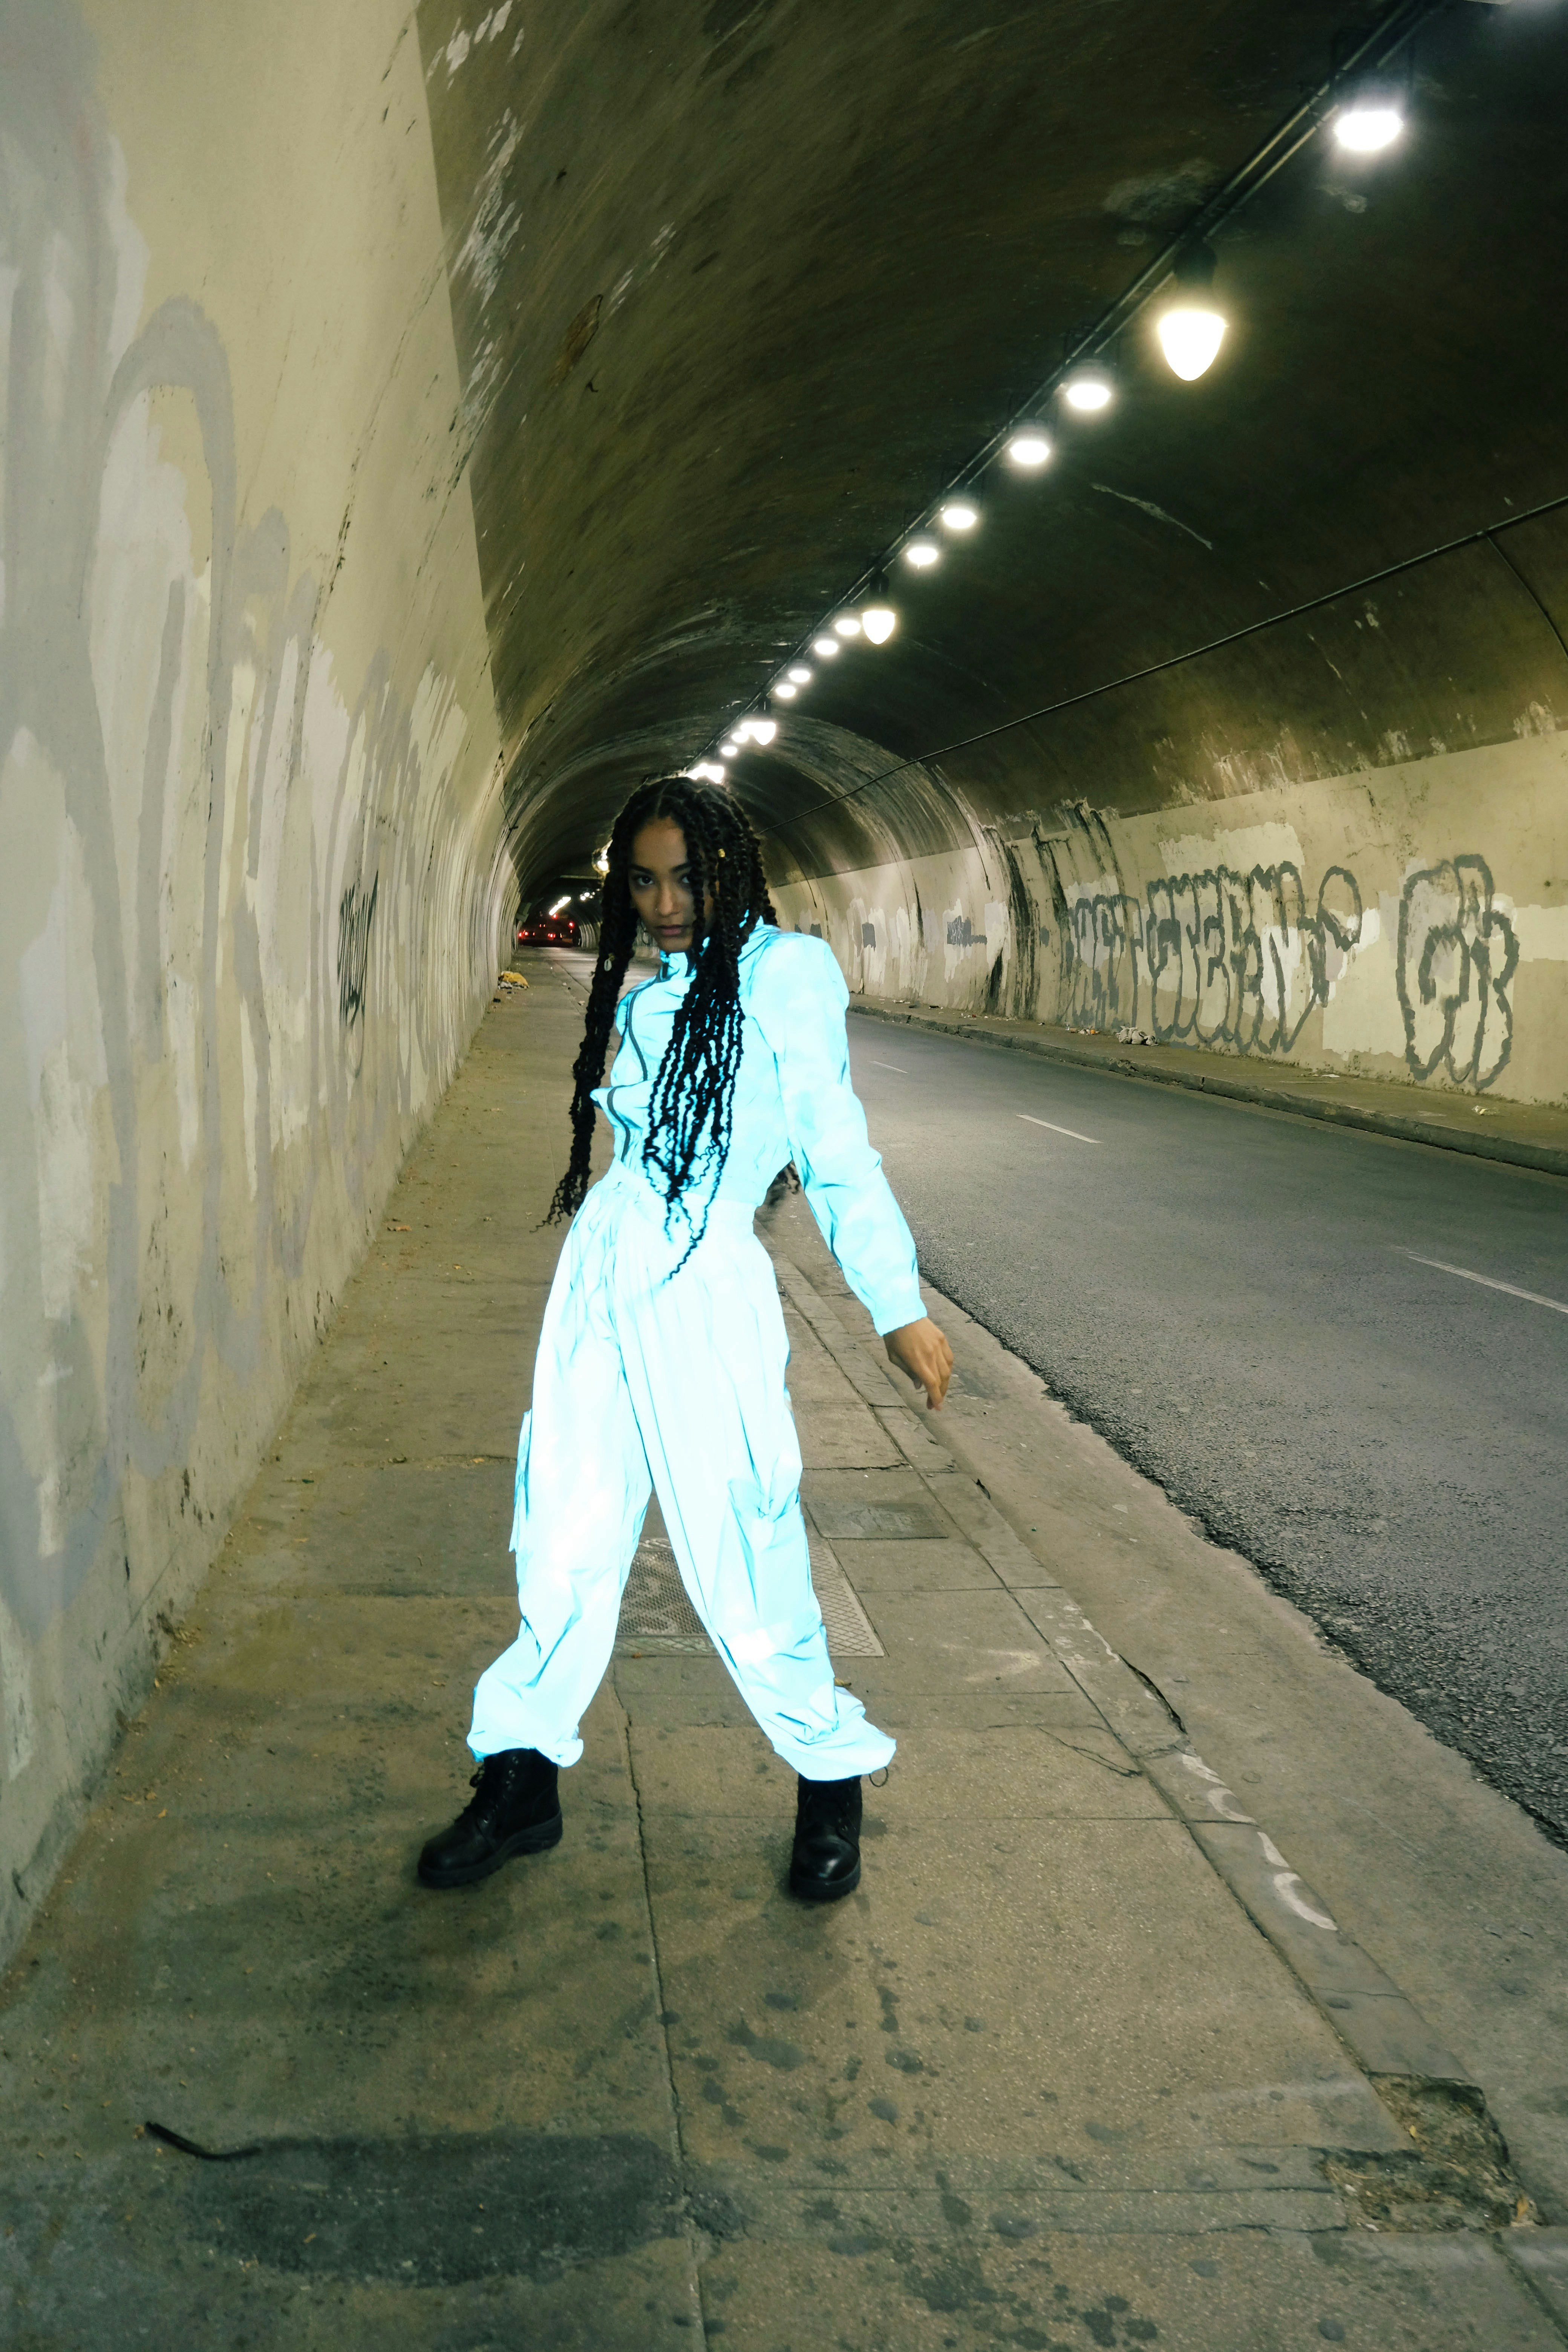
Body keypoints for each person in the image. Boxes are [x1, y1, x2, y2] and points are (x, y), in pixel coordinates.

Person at [418, 775, 953, 1902]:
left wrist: (894, 1302)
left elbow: (835, 1142)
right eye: (646, 882)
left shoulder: (787, 974)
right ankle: (521, 1780)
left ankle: (827, 1777)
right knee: (559, 1525)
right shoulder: (653, 984)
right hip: (603, 1265)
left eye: (687, 878)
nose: (666, 903)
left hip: (705, 1283)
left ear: (731, 870)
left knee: (741, 1539)